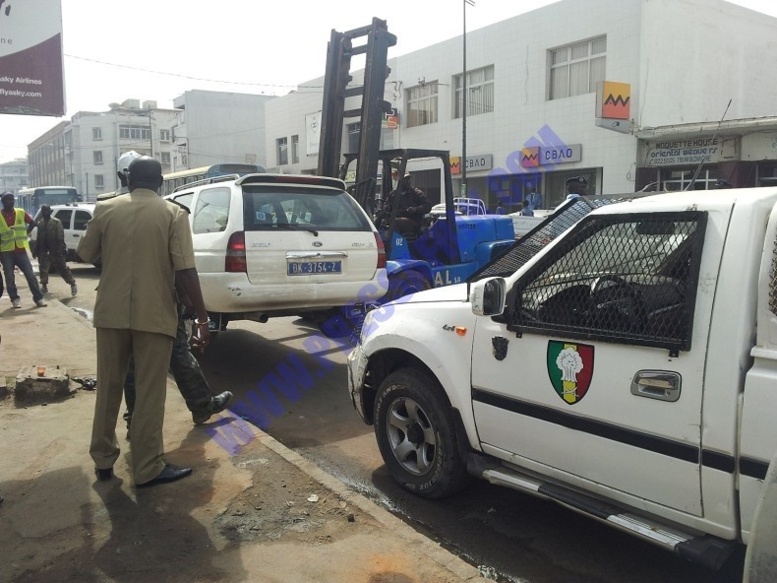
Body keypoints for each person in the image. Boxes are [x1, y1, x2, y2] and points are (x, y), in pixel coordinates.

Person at [77, 155, 211, 489]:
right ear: (161, 182)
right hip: (155, 314)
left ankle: (104, 461)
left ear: (127, 179)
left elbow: (84, 253)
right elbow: (185, 270)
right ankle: (148, 467)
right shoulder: (173, 213)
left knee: (109, 386)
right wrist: (203, 317)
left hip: (110, 312)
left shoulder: (106, 208)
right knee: (150, 392)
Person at [0, 192, 47, 309]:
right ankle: (15, 298)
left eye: (12, 200)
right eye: (7, 200)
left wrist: (26, 232)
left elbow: (32, 222)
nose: (10, 202)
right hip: (6, 252)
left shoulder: (20, 212)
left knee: (30, 275)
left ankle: (38, 298)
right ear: (2, 202)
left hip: (20, 250)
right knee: (9, 277)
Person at [32, 204, 77, 297]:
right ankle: (44, 286)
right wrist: (35, 250)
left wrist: (61, 250)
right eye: (43, 211)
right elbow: (39, 238)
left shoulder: (56, 222)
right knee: (43, 269)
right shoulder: (40, 223)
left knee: (62, 268)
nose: (45, 213)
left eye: (46, 210)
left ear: (50, 211)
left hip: (56, 249)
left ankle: (72, 283)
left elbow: (60, 237)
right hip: (44, 250)